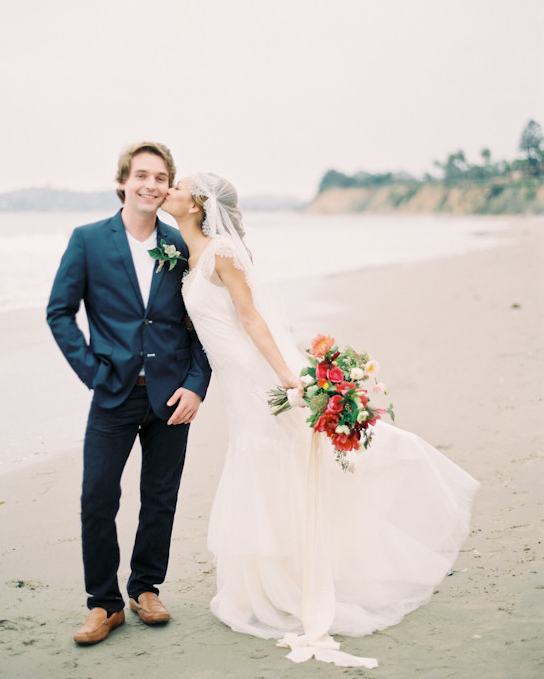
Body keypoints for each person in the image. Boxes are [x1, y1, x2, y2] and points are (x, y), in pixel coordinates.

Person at [161, 172, 479, 668]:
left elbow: (252, 319)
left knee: (281, 465)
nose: (170, 191)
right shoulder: (188, 253)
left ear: (199, 203)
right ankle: (265, 582)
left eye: (178, 186)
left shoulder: (222, 252)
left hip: (254, 378)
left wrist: (289, 378)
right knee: (265, 470)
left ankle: (297, 578)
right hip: (233, 383)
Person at [46, 143, 211, 645]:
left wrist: (196, 385)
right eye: (141, 175)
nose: (151, 185)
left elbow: (204, 318)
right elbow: (60, 312)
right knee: (97, 497)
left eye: (161, 178)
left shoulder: (180, 244)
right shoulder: (89, 240)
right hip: (113, 392)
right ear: (123, 181)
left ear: (169, 186)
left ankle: (145, 589)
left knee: (160, 497)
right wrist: (92, 372)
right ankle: (104, 603)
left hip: (171, 397)